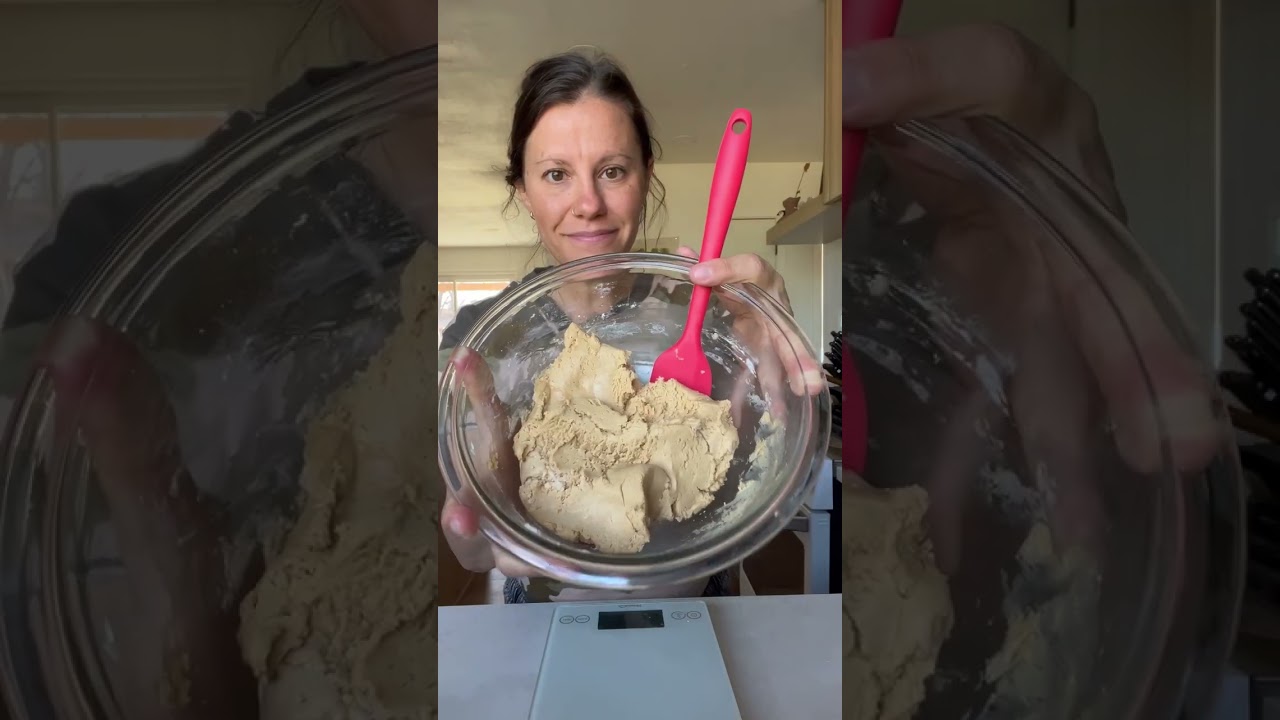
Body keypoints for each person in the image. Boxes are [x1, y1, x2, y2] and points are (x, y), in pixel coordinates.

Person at [436, 49, 824, 604]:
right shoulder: (483, 341)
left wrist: (780, 365)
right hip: (543, 604)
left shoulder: (720, 317)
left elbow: (777, 466)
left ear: (646, 176)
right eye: (556, 174)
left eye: (612, 171)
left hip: (699, 601)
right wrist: (479, 535)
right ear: (523, 190)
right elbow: (467, 529)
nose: (588, 204)